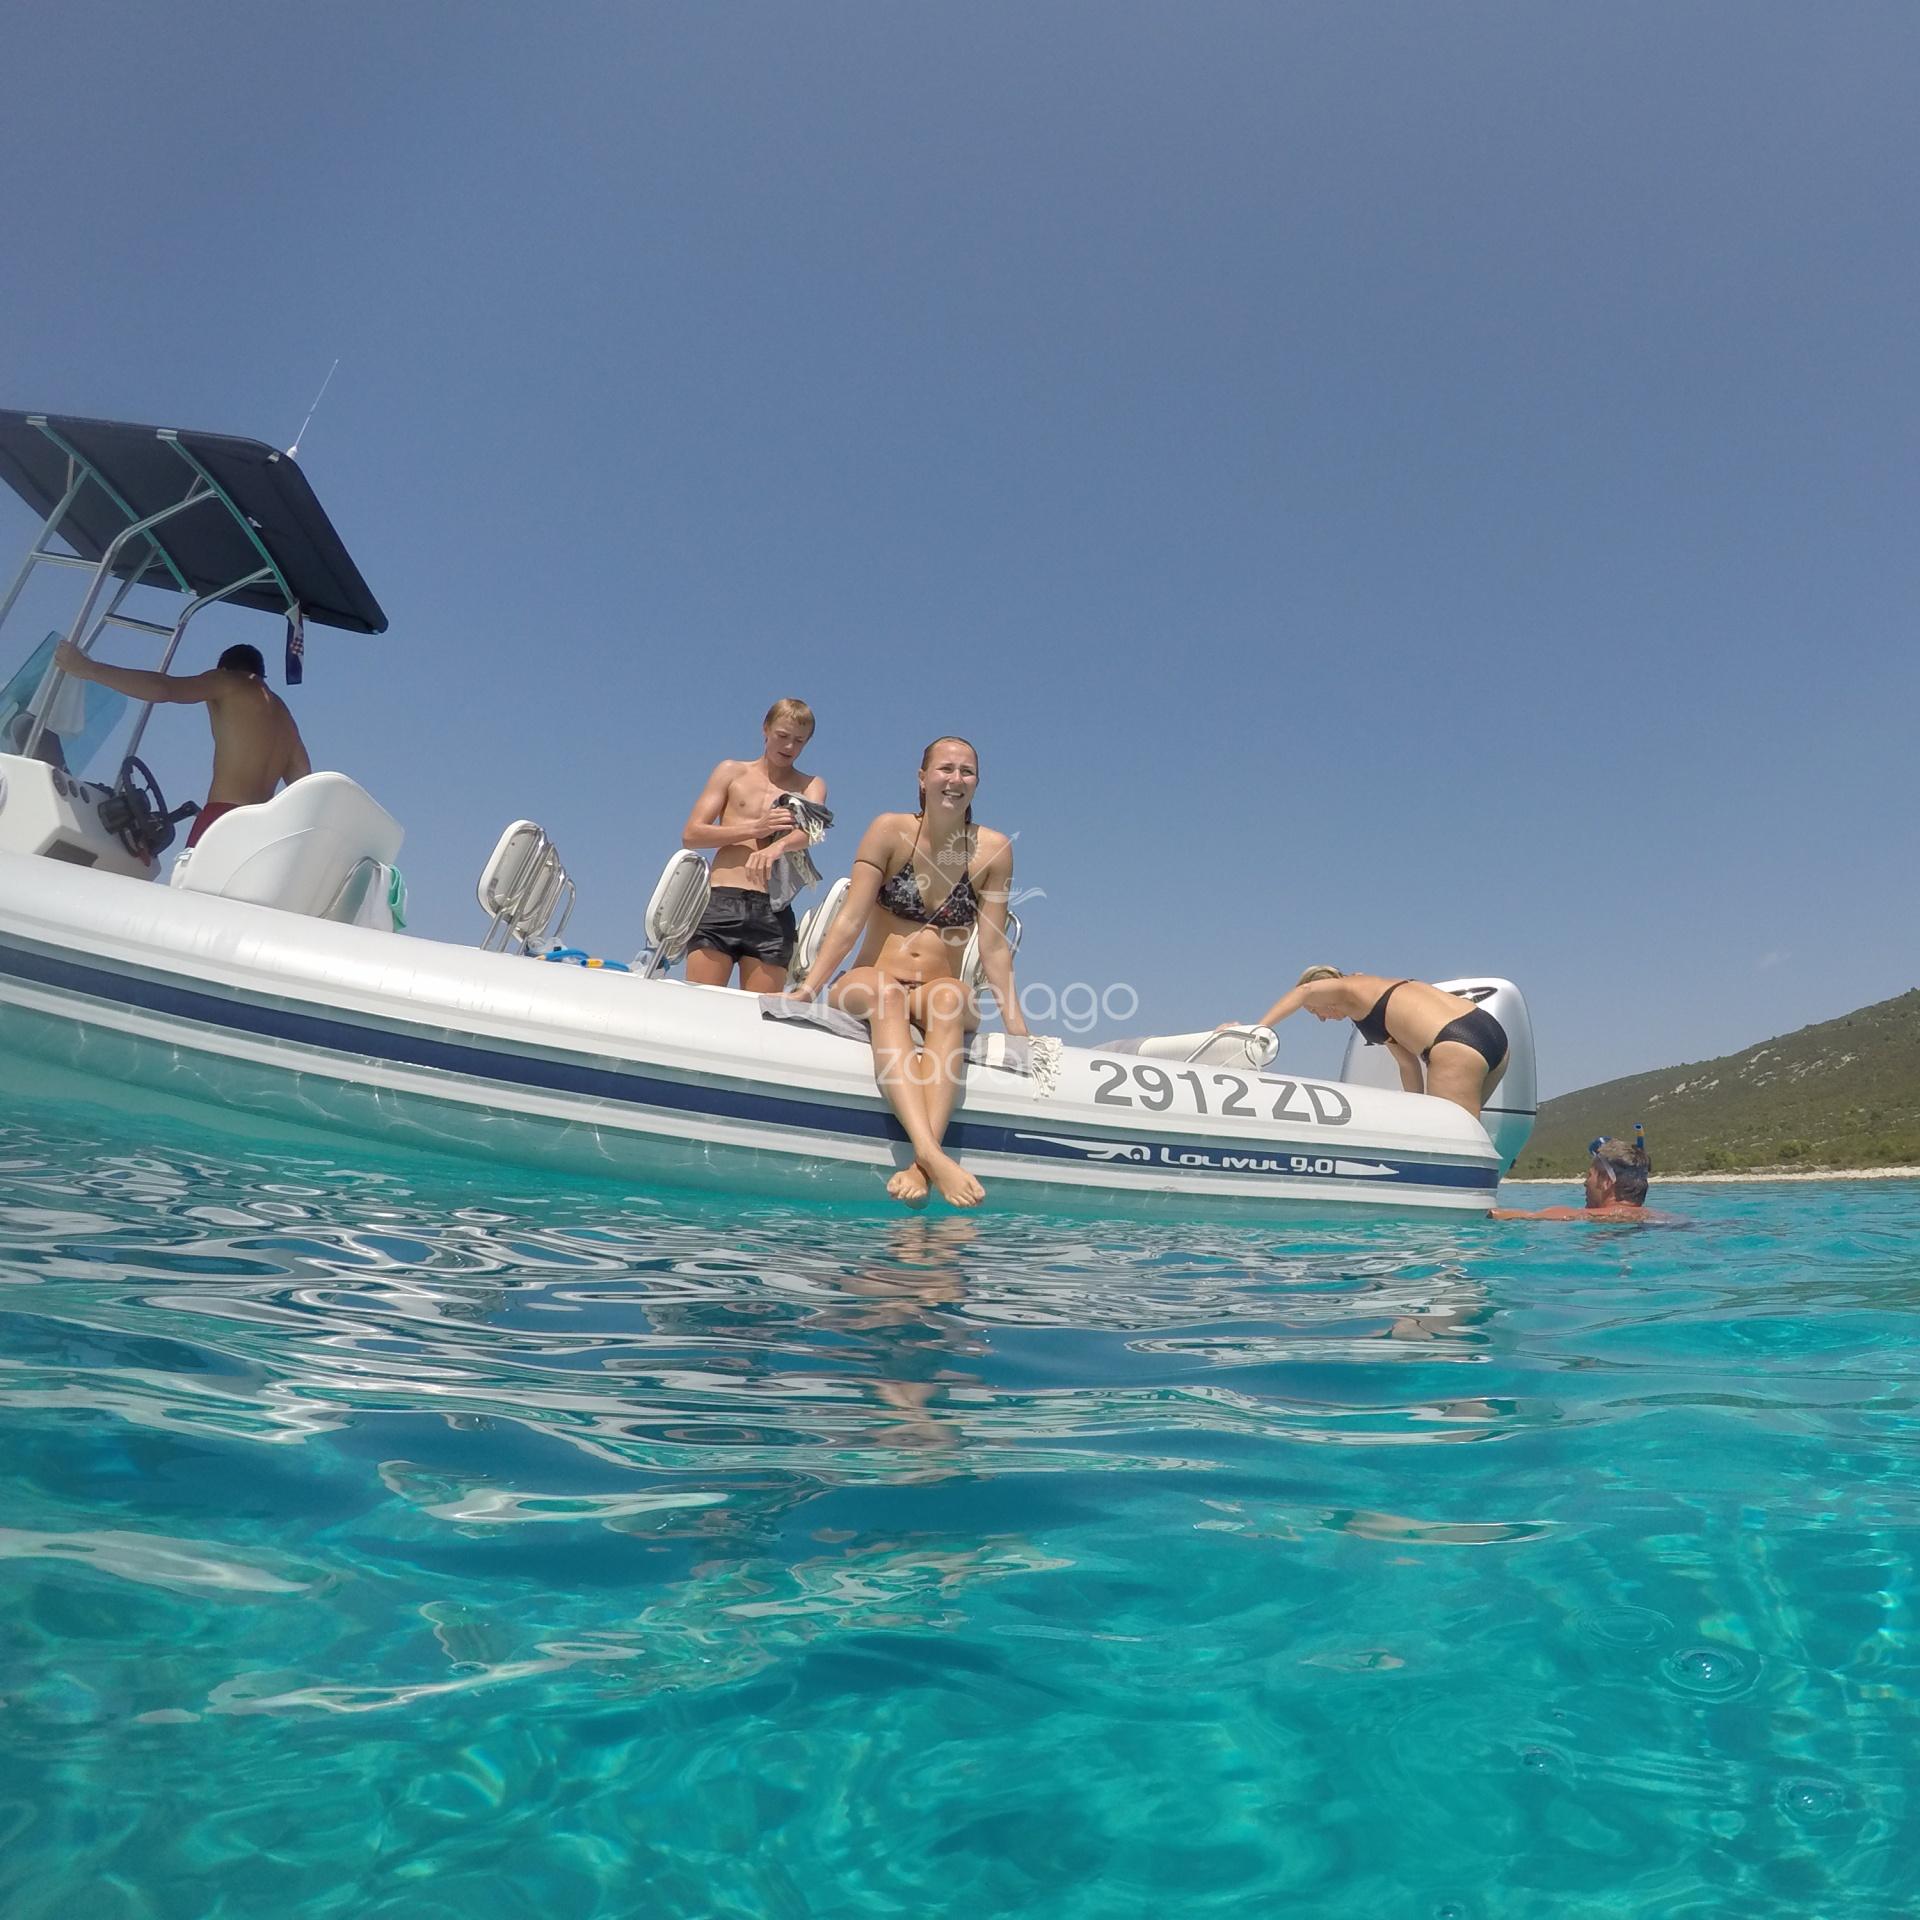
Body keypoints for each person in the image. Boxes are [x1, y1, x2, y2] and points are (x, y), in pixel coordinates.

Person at [786, 735, 1026, 1209]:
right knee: (885, 992)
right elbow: (851, 919)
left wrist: (1017, 1026)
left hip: (936, 988)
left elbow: (994, 947)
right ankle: (932, 1155)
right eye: (945, 769)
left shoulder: (994, 851)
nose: (955, 779)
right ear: (922, 778)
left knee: (951, 998)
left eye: (967, 771)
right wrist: (809, 988)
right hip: (872, 979)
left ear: (977, 783)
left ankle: (921, 1164)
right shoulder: (889, 831)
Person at [51, 638, 309, 846]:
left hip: (222, 820)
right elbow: (304, 787)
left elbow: (163, 689)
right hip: (260, 832)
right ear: (261, 674)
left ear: (223, 669)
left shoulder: (228, 680)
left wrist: (87, 668)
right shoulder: (286, 718)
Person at [680, 698, 828, 992]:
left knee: (759, 1012)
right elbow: (692, 834)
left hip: (772, 909)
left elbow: (812, 831)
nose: (789, 746)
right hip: (721, 899)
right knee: (700, 1005)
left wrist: (777, 847)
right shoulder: (731, 771)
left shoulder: (811, 784)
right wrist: (755, 828)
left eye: (799, 741)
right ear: (766, 729)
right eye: (782, 736)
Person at [1227, 967, 1510, 1118]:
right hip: (1490, 1033)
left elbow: (1305, 990)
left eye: (1315, 1011)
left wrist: (1257, 1030)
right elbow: (1407, 1064)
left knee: (1454, 1144)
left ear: (1325, 996)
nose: (1322, 1019)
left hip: (1454, 1046)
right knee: (1466, 1137)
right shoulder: (1370, 1005)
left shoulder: (1348, 987)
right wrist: (1420, 1113)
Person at [1492, 1134, 1660, 1221]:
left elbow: (1524, 1217)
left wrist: (1486, 1212)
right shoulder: (1661, 1218)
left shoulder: (1577, 1215)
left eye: (1589, 1176)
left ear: (1607, 1182)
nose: (1585, 1183)